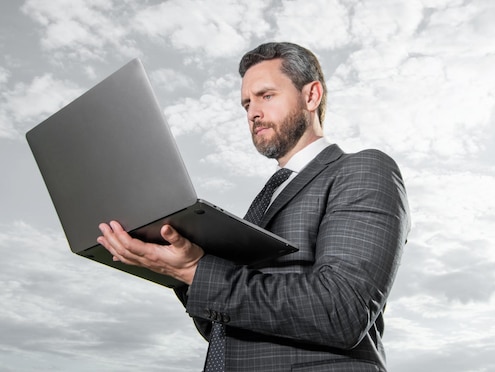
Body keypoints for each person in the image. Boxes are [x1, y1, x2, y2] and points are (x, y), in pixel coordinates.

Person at [97, 41, 410, 372]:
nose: (252, 112)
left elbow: (342, 310)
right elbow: (223, 330)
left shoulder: (362, 170)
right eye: (246, 103)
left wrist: (194, 270)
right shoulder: (264, 203)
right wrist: (173, 266)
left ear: (311, 96)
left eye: (266, 96)